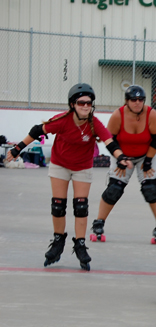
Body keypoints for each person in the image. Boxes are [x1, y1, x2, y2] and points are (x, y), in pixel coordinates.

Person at [6, 83, 132, 271]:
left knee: (81, 205)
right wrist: (17, 149)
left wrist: (120, 157)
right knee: (58, 204)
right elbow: (36, 130)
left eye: (89, 103)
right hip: (60, 164)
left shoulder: (93, 123)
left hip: (82, 166)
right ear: (72, 104)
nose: (85, 106)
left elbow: (109, 141)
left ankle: (80, 244)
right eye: (81, 103)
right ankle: (58, 241)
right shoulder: (62, 120)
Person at [89, 85, 156, 243]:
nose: (137, 103)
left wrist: (148, 161)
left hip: (147, 154)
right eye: (133, 100)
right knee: (114, 189)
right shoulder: (118, 115)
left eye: (141, 100)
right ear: (127, 101)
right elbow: (110, 140)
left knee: (150, 188)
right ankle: (99, 222)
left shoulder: (151, 114)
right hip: (122, 154)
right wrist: (119, 158)